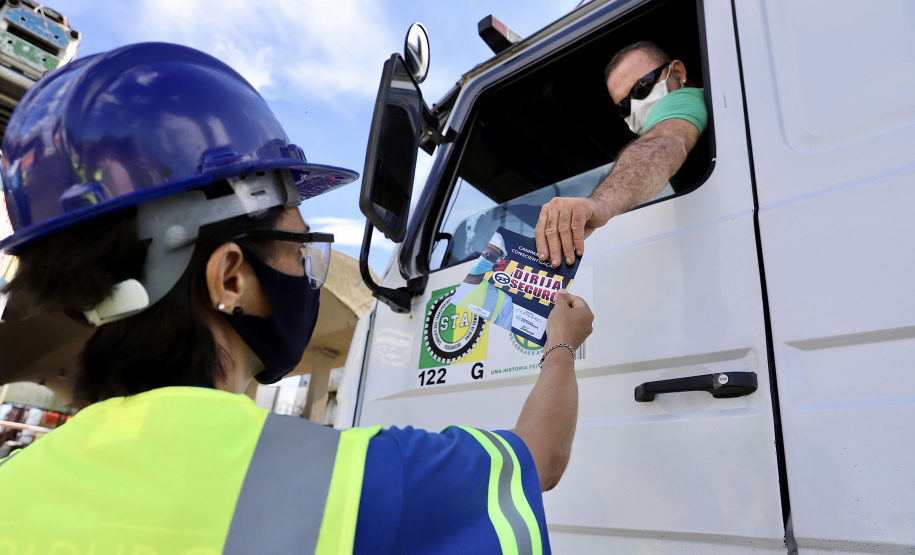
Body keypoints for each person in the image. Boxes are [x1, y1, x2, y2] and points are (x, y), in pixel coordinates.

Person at [0, 43, 593, 554]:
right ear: (229, 276)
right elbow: (539, 459)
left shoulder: (17, 489)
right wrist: (561, 344)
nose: (303, 269)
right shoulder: (354, 479)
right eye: (295, 244)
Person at [534, 40, 708, 267]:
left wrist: (601, 202)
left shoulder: (685, 100)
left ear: (677, 72)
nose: (635, 106)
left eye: (642, 87)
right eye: (624, 106)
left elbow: (663, 140)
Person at [451, 232, 514, 329]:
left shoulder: (502, 301)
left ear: (496, 262)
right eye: (480, 252)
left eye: (490, 256)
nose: (482, 258)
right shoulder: (445, 278)